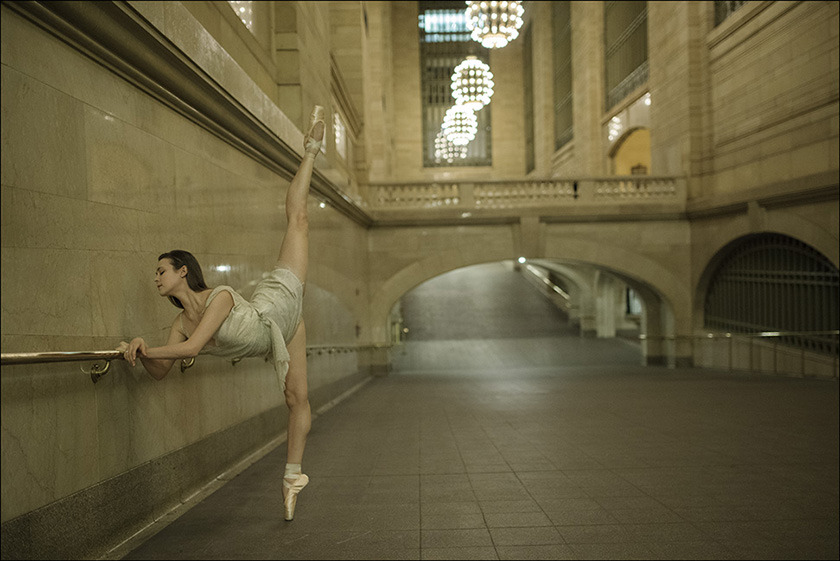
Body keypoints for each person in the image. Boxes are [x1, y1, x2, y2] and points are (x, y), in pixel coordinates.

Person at [116, 106, 326, 522]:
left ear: (182, 272)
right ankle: (293, 478)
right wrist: (140, 350)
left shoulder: (221, 297)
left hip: (278, 303)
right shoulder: (179, 322)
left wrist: (151, 346)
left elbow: (192, 347)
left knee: (297, 221)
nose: (156, 279)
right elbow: (160, 372)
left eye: (161, 271)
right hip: (285, 331)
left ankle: (311, 151)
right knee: (295, 397)